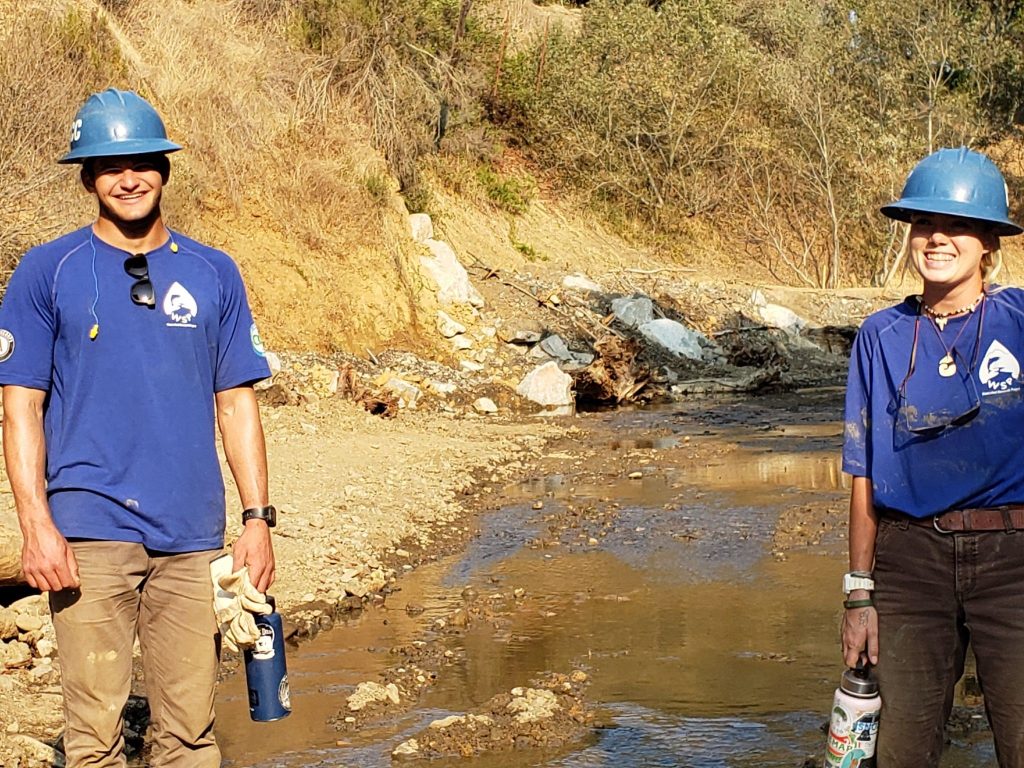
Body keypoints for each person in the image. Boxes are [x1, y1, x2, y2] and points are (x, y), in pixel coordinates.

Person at [0, 88, 276, 766]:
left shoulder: (214, 271)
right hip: (88, 531)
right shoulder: (47, 271)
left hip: (191, 535)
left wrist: (257, 518)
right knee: (93, 739)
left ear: (165, 168)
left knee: (188, 735)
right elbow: (19, 407)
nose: (129, 178)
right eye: (110, 165)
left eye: (144, 161)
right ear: (88, 176)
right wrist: (36, 525)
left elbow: (236, 401)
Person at [841, 146, 1024, 765]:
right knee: (902, 751)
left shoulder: (1021, 319)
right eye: (924, 223)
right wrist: (859, 596)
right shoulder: (879, 336)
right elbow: (863, 472)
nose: (937, 237)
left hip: (1015, 562)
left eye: (959, 225)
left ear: (989, 243)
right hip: (909, 565)